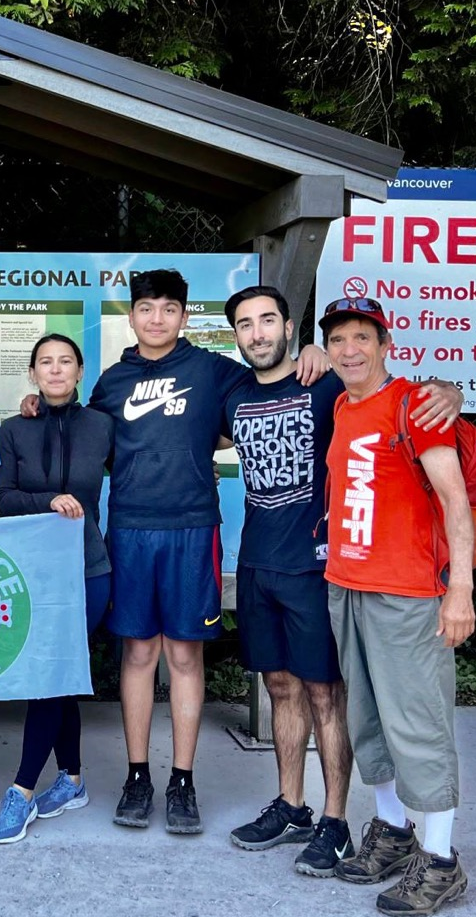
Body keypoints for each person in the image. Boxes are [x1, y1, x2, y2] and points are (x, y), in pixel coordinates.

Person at [221, 285, 461, 877]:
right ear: (237, 336)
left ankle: (336, 821)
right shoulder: (236, 394)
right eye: (246, 324)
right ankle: (292, 807)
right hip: (263, 563)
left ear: (288, 328)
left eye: (268, 320)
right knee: (280, 686)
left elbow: (405, 394)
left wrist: (450, 391)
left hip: (321, 566)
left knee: (329, 694)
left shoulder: (327, 385)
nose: (258, 332)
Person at [84, 269, 329, 834]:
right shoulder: (112, 382)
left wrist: (312, 352)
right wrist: (36, 404)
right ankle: (138, 776)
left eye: (169, 308)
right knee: (137, 654)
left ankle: (183, 780)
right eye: (147, 308)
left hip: (193, 528)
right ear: (132, 316)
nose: (157, 318)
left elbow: (273, 382)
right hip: (131, 529)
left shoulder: (214, 371)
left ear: (184, 315)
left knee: (184, 656)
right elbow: (86, 440)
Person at [320, 297, 473, 917]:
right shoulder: (342, 404)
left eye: (362, 337)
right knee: (367, 720)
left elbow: (455, 500)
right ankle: (392, 831)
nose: (350, 349)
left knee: (418, 724)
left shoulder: (418, 406)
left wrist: (459, 590)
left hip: (407, 593)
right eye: (338, 339)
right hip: (347, 585)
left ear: (386, 345)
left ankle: (440, 861)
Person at [0, 334, 113, 844]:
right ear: (33, 373)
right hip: (33, 573)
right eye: (46, 362)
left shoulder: (102, 425)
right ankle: (72, 780)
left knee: (52, 676)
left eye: (65, 362)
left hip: (89, 569)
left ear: (80, 371)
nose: (56, 370)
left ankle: (21, 790)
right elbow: (5, 497)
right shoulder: (13, 429)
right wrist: (50, 499)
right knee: (58, 675)